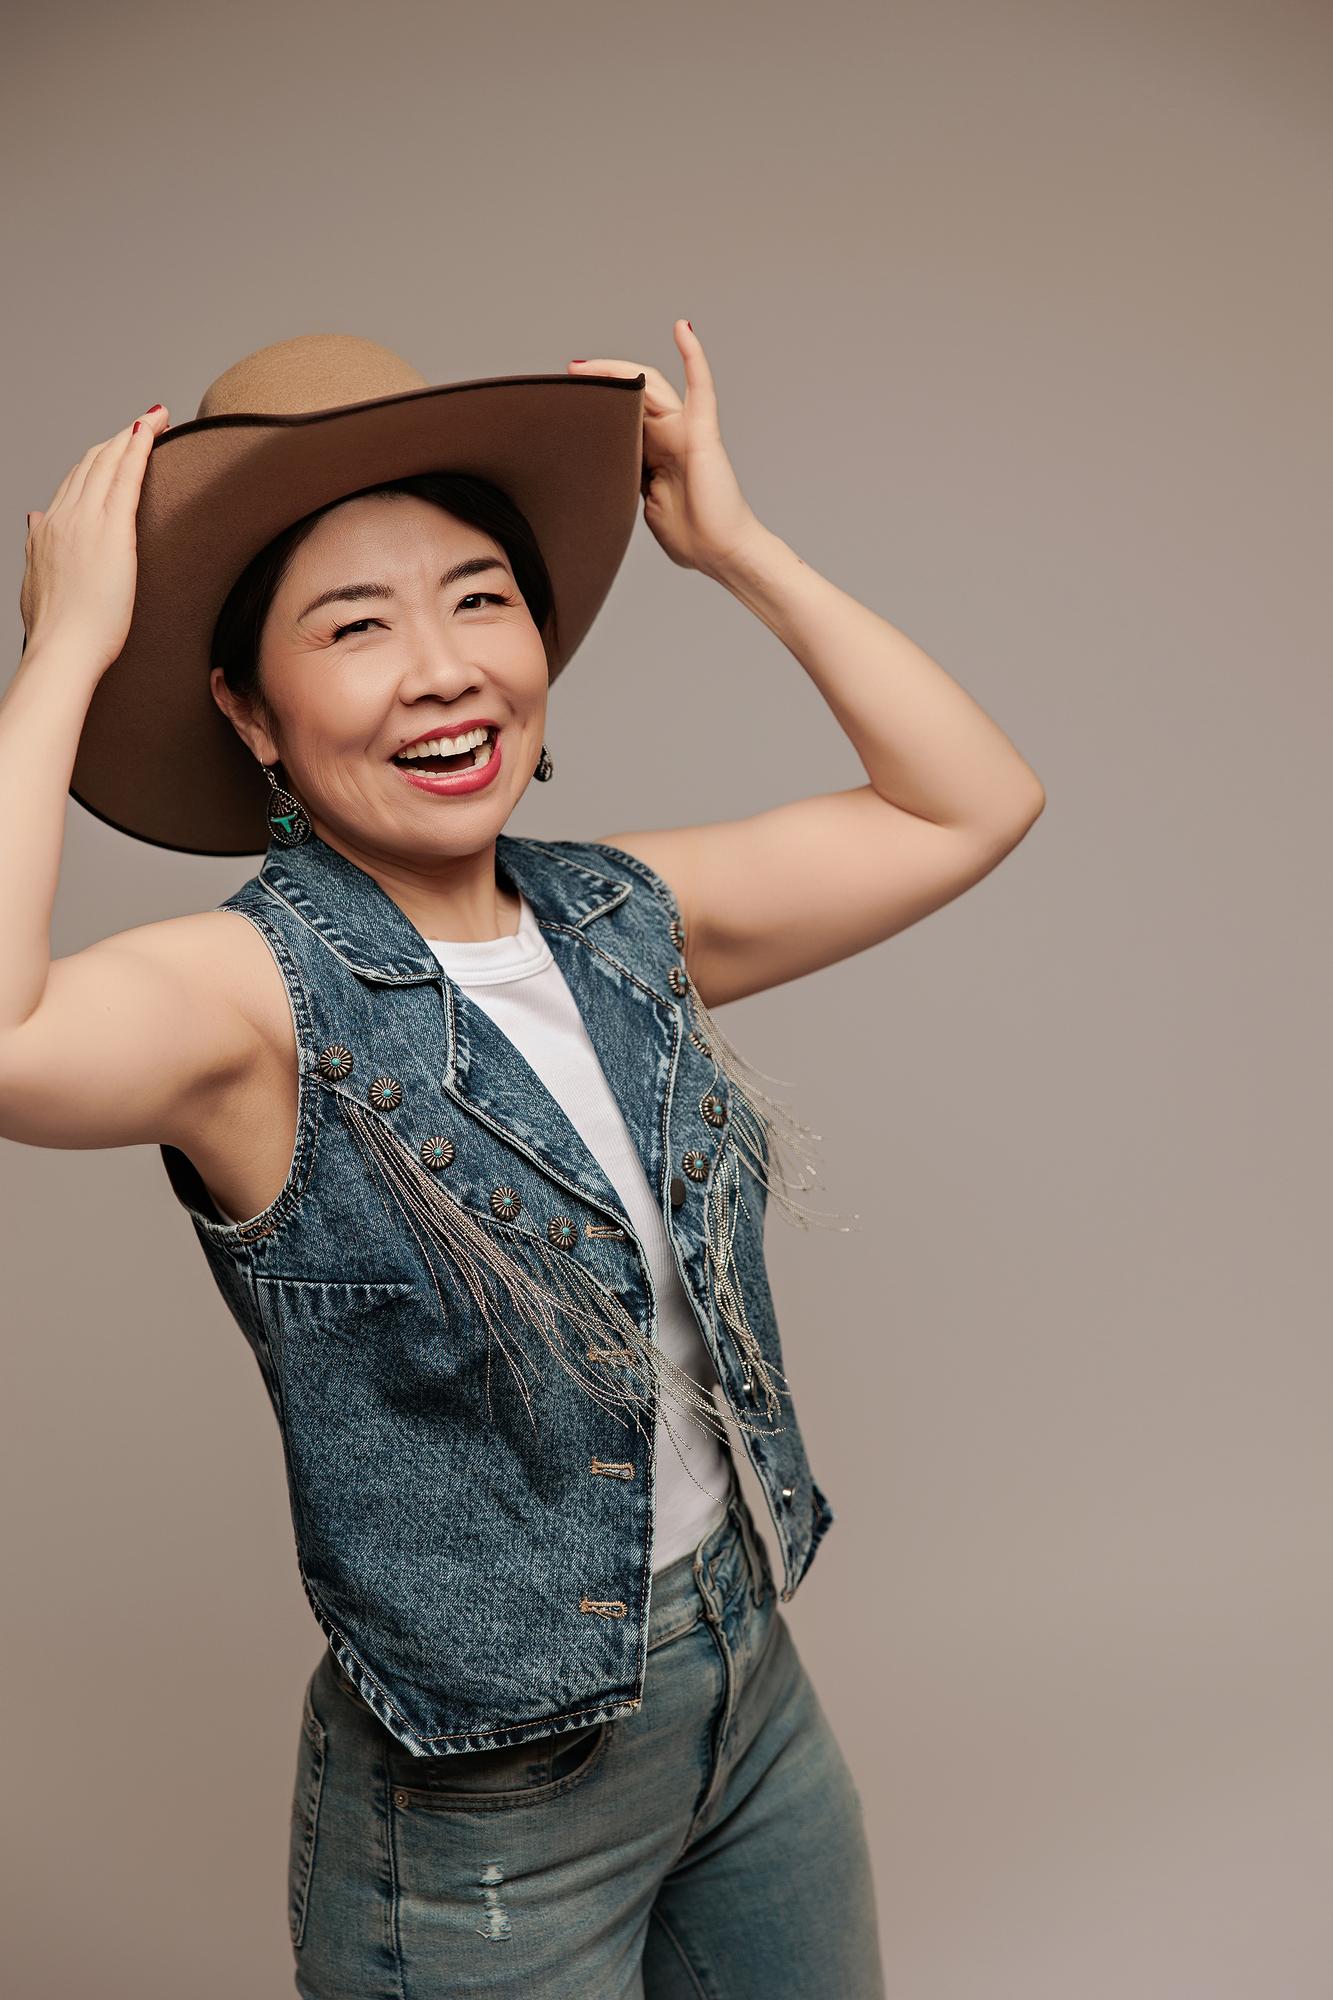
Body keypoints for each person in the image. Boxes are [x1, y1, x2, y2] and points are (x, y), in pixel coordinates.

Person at [4, 321, 1044, 1998]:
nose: (442, 668)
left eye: (479, 597)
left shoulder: (617, 916)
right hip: (486, 1810)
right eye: (354, 627)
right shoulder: (253, 1001)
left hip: (741, 1688)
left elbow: (966, 805)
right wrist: (64, 654)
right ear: (249, 715)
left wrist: (738, 550)